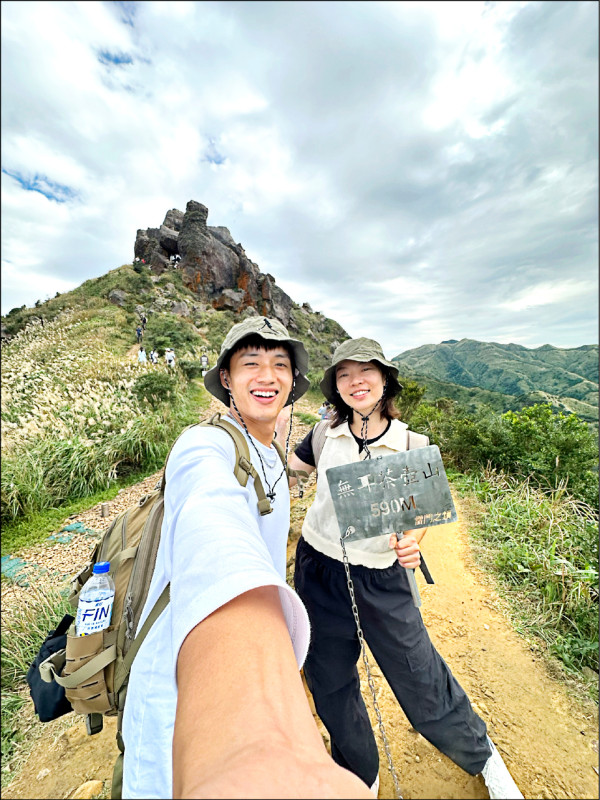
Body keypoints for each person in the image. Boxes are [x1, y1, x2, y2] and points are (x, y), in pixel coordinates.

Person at [121, 318, 373, 800]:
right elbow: (212, 522)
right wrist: (262, 743)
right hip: (179, 698)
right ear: (227, 381)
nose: (268, 375)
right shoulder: (204, 446)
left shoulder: (269, 453)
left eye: (280, 364)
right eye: (251, 363)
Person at [285, 337, 524, 800]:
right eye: (344, 374)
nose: (356, 382)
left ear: (385, 380)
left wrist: (412, 545)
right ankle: (359, 774)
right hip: (318, 570)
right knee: (330, 678)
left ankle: (481, 756)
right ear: (335, 386)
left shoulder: (413, 444)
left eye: (366, 371)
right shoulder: (322, 436)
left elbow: (420, 522)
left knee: (419, 674)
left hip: (381, 578)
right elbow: (287, 471)